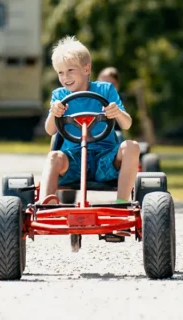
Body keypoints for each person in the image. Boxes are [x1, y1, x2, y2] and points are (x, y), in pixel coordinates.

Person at [39, 35, 140, 206]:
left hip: (105, 157)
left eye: (71, 70)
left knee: (132, 146)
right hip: (73, 159)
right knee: (53, 157)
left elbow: (127, 124)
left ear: (86, 69)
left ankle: (122, 203)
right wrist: (54, 113)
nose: (65, 77)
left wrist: (117, 112)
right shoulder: (59, 96)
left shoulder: (105, 89)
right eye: (61, 73)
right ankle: (46, 205)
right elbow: (50, 131)